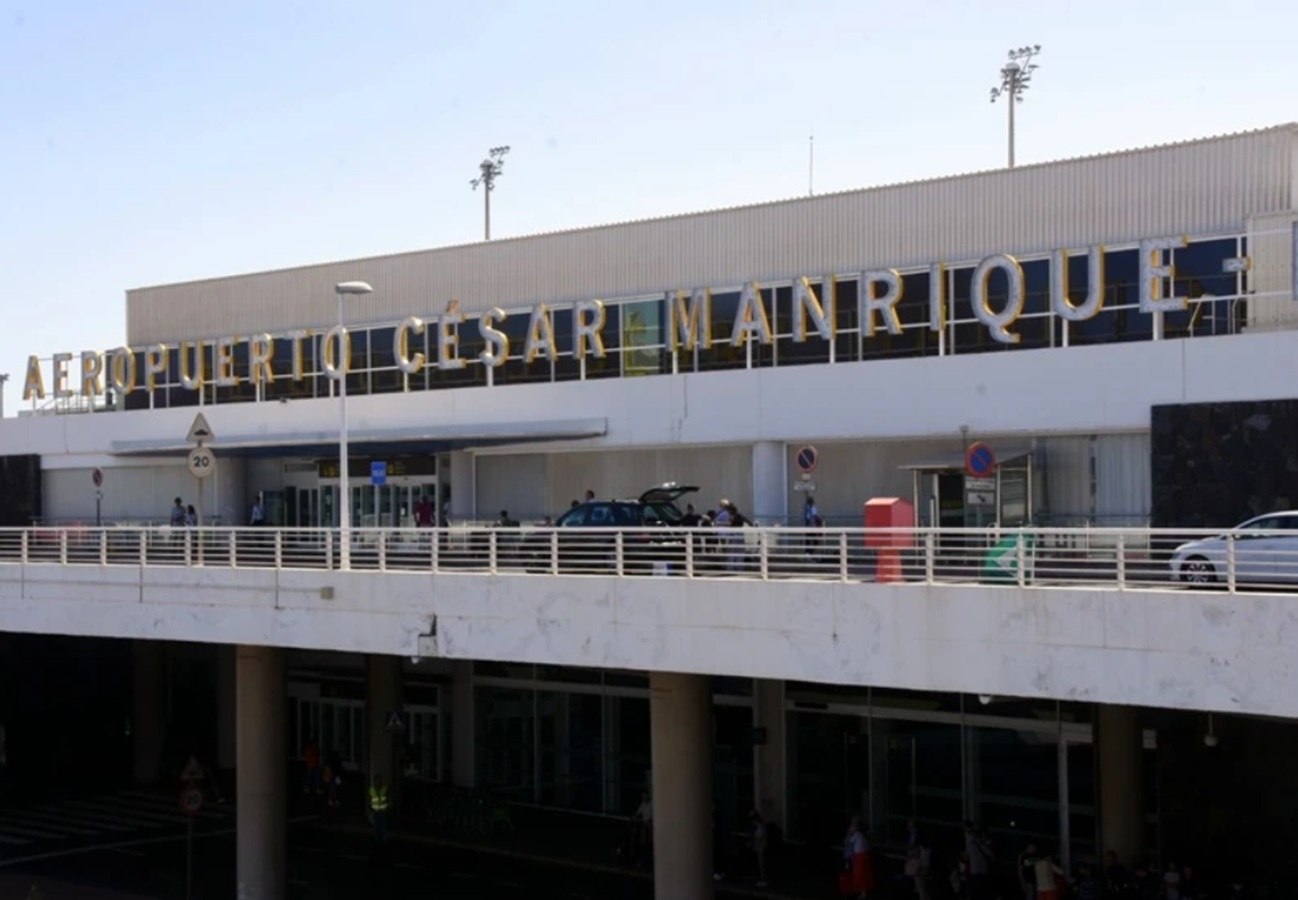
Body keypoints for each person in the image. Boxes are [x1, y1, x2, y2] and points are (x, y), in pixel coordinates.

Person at [368, 774, 389, 845]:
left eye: (379, 780)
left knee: (383, 827)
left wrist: (388, 807)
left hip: (383, 811)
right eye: (376, 780)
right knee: (376, 828)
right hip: (375, 812)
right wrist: (370, 811)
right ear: (374, 782)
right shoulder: (371, 790)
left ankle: (384, 842)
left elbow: (388, 798)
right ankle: (377, 842)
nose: (378, 782)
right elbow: (369, 801)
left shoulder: (384, 789)